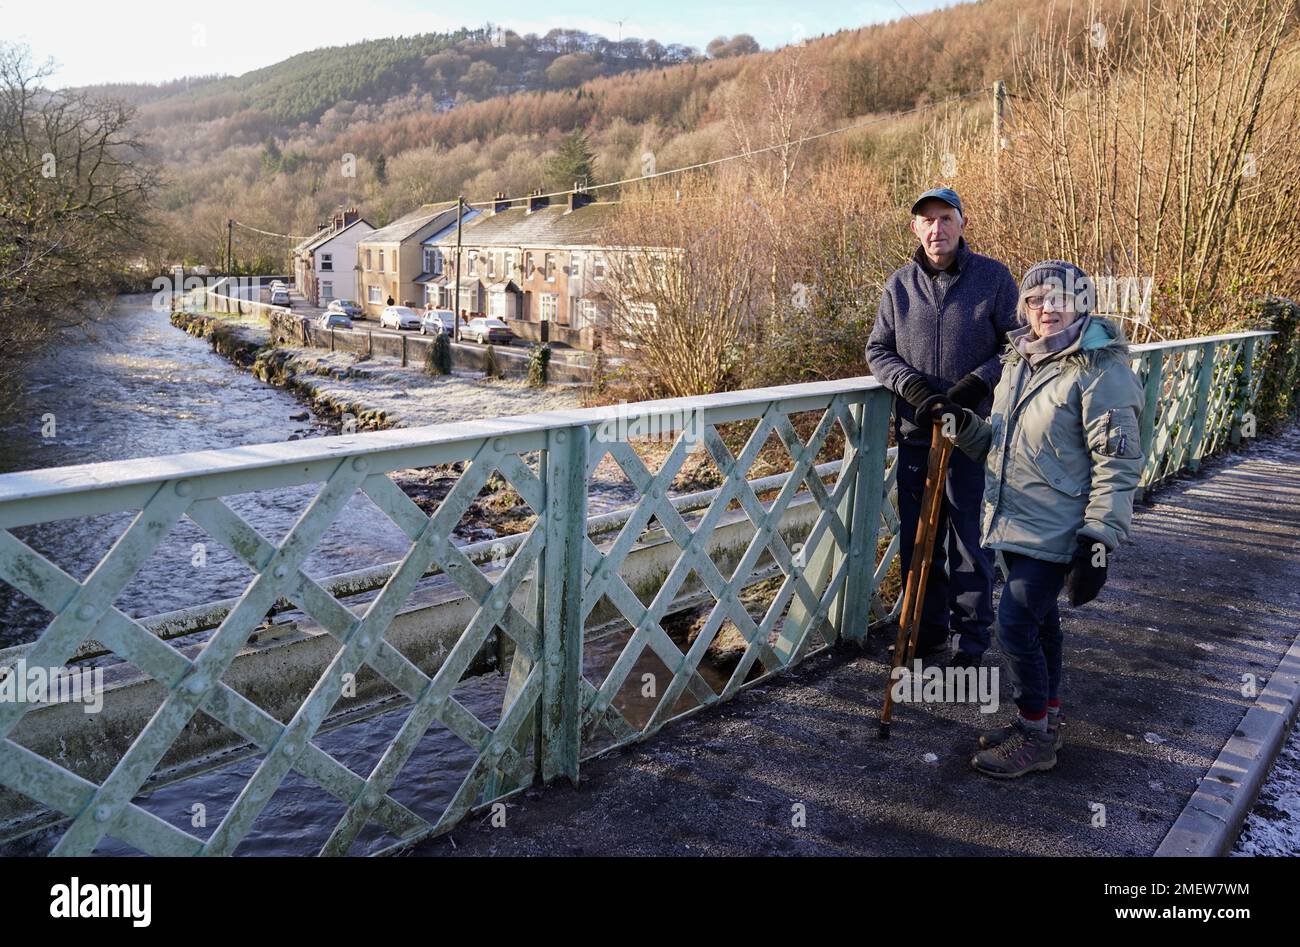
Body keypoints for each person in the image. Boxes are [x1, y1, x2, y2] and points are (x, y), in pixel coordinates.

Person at [924, 260, 1145, 778]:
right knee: (1041, 623)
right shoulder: (1021, 361)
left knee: (1015, 623)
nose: (1045, 308)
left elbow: (1119, 462)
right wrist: (963, 426)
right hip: (1014, 521)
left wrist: (1099, 539)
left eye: (1057, 297)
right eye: (1035, 299)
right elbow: (999, 444)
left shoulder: (1101, 371)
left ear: (1083, 303)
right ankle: (1044, 718)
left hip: (1061, 526)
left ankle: (1033, 736)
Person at [866, 187, 1021, 668]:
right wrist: (912, 388)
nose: (937, 229)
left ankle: (969, 640)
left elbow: (1017, 343)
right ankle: (923, 630)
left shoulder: (993, 278)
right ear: (916, 228)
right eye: (928, 220)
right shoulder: (899, 285)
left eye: (946, 218)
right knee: (919, 537)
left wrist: (975, 383)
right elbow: (878, 350)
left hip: (969, 433)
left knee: (967, 540)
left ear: (962, 223)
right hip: (917, 431)